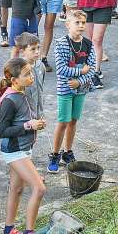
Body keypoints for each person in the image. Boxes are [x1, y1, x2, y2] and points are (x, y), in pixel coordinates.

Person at [0, 57, 46, 234]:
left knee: (16, 190)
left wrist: (37, 124)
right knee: (39, 188)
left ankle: (9, 231)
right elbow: (2, 131)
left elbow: (25, 119)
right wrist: (28, 126)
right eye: (26, 74)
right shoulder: (9, 100)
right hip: (14, 151)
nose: (31, 76)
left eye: (30, 72)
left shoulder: (22, 93)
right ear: (14, 80)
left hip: (24, 149)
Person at [48, 9, 96, 173]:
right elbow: (61, 69)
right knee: (63, 122)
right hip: (65, 89)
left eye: (83, 22)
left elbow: (92, 70)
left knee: (73, 121)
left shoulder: (89, 44)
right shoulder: (61, 43)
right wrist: (80, 72)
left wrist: (80, 81)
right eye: (77, 23)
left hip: (81, 89)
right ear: (68, 25)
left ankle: (67, 152)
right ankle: (55, 154)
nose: (81, 26)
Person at [15, 32, 45, 127]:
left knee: (33, 138)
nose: (37, 52)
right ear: (22, 51)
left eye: (38, 48)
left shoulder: (41, 66)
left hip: (37, 111)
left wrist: (40, 113)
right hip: (23, 115)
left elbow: (40, 88)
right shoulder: (19, 69)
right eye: (33, 49)